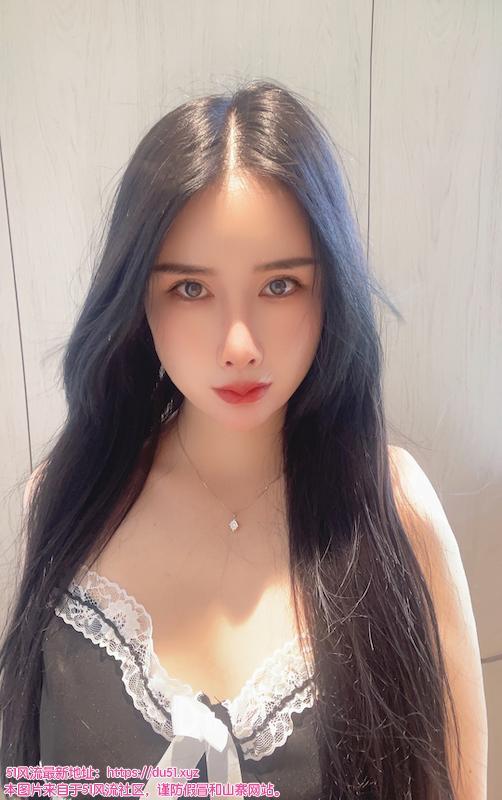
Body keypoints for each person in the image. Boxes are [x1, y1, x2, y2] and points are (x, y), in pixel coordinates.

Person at [0, 79, 487, 800]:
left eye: (280, 285)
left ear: (330, 290)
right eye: (191, 289)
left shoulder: (394, 511)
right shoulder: (69, 496)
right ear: (139, 298)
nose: (239, 346)